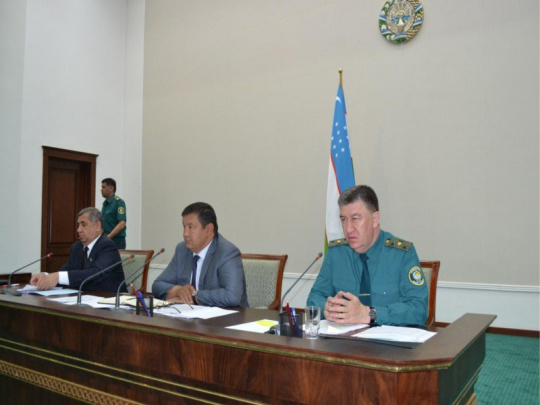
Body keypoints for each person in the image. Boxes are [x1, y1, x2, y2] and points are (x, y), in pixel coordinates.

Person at [307, 185, 427, 326]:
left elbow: (419, 310)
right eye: (343, 220)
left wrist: (369, 314)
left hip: (388, 339)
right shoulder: (337, 253)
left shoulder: (402, 255)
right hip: (346, 338)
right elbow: (314, 298)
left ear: (375, 219)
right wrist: (326, 308)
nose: (348, 229)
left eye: (355, 219)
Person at [152, 202, 248, 307]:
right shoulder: (182, 250)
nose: (185, 234)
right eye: (184, 227)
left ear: (208, 230)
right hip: (189, 315)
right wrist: (178, 291)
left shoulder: (227, 252)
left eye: (190, 227)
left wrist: (193, 296)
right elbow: (157, 285)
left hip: (229, 315)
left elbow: (232, 296)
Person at [30, 207, 127, 292]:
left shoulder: (107, 246)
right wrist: (46, 276)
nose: (78, 230)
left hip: (110, 301)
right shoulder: (77, 247)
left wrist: (57, 277)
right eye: (78, 225)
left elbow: (95, 274)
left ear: (97, 226)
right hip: (84, 300)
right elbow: (65, 272)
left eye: (83, 225)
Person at [101, 178, 127, 249]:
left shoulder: (119, 202)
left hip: (116, 240)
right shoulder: (105, 204)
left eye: (103, 187)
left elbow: (121, 224)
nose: (101, 190)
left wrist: (109, 237)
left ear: (111, 188)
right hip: (105, 238)